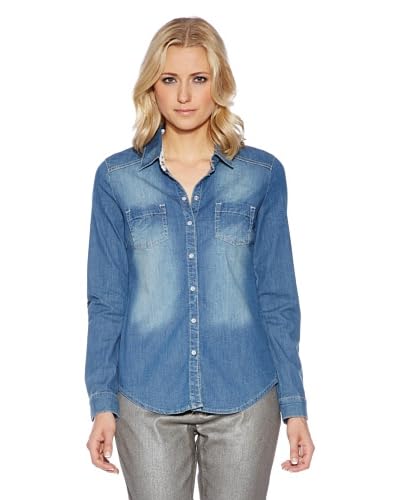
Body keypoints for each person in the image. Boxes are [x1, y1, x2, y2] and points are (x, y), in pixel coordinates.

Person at [85, 16, 315, 500]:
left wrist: (294, 405)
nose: (184, 95)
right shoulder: (116, 179)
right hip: (145, 396)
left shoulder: (261, 175)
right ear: (152, 86)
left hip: (245, 394)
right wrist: (102, 400)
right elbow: (106, 301)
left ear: (219, 84)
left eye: (199, 78)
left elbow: (278, 297)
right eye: (170, 79)